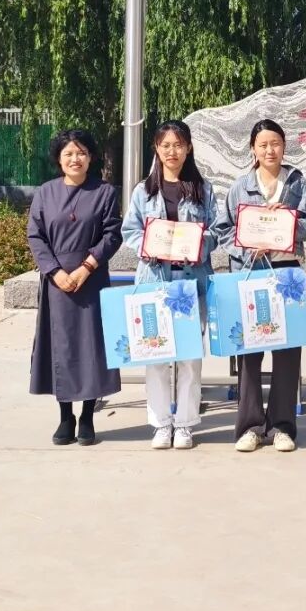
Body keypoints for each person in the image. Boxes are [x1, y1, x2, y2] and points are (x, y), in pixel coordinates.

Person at [213, 119, 306, 453]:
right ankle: (250, 426)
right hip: (249, 273)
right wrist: (247, 247)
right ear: (253, 149)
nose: (269, 150)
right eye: (263, 145)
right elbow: (222, 230)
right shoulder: (240, 186)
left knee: (287, 353)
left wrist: (288, 221)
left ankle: (282, 427)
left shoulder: (297, 183)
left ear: (284, 146)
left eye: (275, 143)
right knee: (249, 354)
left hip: (286, 275)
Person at [121, 120, 218, 450]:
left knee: (189, 357)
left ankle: (186, 424)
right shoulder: (143, 190)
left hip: (190, 282)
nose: (172, 151)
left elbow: (217, 229)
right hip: (154, 280)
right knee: (156, 355)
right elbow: (130, 230)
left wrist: (199, 245)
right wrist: (146, 247)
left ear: (188, 148)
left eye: (178, 145)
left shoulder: (203, 189)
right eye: (166, 145)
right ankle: (161, 423)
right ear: (157, 149)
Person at [27, 129, 123, 446]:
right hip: (57, 283)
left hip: (91, 279)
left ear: (90, 157)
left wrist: (87, 267)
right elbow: (35, 236)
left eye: (81, 153)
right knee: (62, 347)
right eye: (68, 153)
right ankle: (65, 416)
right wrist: (54, 272)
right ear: (58, 158)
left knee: (91, 347)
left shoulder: (104, 192)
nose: (75, 159)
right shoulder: (45, 192)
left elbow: (112, 234)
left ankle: (88, 417)